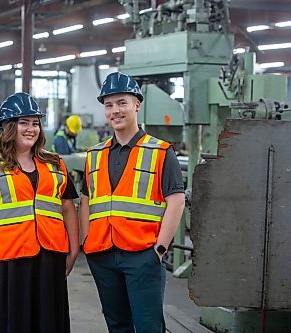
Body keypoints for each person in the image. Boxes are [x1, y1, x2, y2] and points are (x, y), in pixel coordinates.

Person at [0, 92, 80, 333]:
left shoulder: (55, 165)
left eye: (35, 123)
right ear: (8, 127)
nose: (31, 129)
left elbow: (67, 208)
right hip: (5, 264)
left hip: (48, 261)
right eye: (24, 123)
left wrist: (74, 249)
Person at [79, 72, 186, 333]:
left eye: (122, 103)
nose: (115, 111)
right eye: (109, 105)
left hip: (143, 255)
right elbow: (86, 200)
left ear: (137, 104)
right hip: (103, 255)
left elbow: (177, 201)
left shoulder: (161, 151)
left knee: (149, 326)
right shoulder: (95, 154)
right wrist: (86, 243)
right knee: (117, 325)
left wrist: (160, 249)